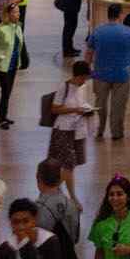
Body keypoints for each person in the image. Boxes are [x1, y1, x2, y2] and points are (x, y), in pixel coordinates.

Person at [85, 3, 130, 143]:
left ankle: (100, 129)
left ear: (108, 14)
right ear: (120, 15)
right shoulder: (129, 31)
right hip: (122, 74)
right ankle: (116, 132)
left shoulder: (98, 31)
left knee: (100, 103)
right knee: (118, 105)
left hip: (100, 73)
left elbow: (89, 52)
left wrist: (87, 68)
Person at [46, 61, 97, 207]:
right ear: (78, 75)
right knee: (68, 164)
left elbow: (82, 104)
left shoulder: (83, 87)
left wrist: (87, 110)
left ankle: (53, 188)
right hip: (63, 130)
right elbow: (54, 109)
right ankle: (72, 197)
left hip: (78, 130)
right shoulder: (64, 87)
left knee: (71, 164)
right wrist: (75, 110)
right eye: (83, 78)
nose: (84, 81)